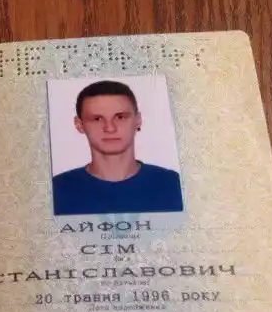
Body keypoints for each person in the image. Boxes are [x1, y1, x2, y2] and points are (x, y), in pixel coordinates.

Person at [52, 80, 183, 215]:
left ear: (138, 120)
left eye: (120, 117)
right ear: (79, 125)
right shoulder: (55, 190)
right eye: (97, 119)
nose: (110, 128)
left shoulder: (174, 185)